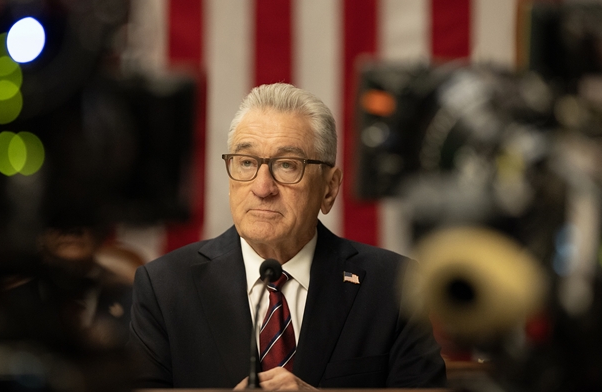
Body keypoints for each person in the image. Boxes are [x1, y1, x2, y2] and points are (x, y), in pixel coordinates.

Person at [128, 83, 446, 389]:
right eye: (246, 162)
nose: (262, 188)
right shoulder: (164, 288)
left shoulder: (395, 286)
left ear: (329, 188)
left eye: (287, 166)